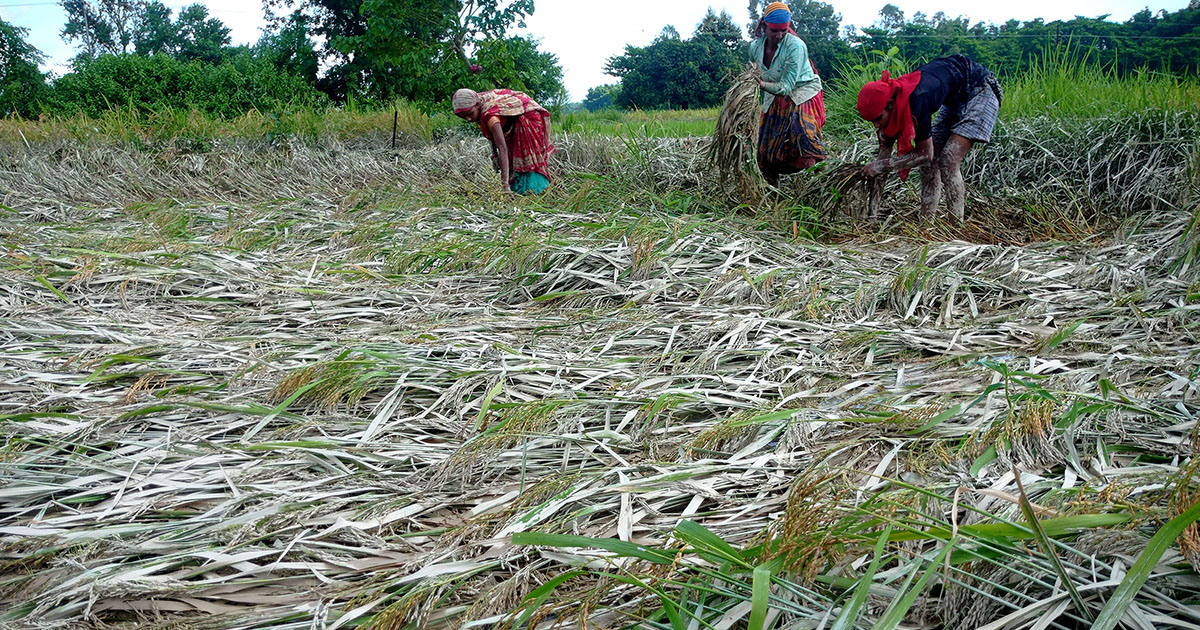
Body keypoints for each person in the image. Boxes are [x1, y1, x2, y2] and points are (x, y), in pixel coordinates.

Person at [856, 54, 1003, 221]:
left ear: (890, 105)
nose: (876, 125)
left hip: (980, 88)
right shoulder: (891, 111)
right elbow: (881, 165)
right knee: (927, 166)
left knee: (949, 159)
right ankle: (926, 225)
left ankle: (955, 230)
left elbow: (925, 153)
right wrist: (872, 215)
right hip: (954, 97)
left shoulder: (917, 100)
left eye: (878, 119)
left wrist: (883, 165)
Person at [749, 2, 828, 188]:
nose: (779, 35)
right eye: (774, 31)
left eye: (783, 31)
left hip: (802, 92)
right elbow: (753, 73)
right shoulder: (755, 48)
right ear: (764, 25)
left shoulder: (795, 46)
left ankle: (824, 181)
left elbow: (786, 87)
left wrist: (761, 84)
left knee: (804, 139)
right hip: (772, 94)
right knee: (765, 148)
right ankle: (773, 191)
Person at [452, 88, 556, 195]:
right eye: (463, 117)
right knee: (512, 155)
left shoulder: (490, 116)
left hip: (528, 118)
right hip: (514, 120)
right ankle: (517, 186)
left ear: (477, 105)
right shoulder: (480, 104)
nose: (468, 119)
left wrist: (505, 186)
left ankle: (535, 189)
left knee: (525, 155)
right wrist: (494, 155)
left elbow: (502, 148)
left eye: (470, 114)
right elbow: (492, 136)